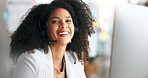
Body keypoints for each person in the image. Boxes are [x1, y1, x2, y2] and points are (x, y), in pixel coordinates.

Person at [10, 0, 95, 78]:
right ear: (44, 29)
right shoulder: (30, 60)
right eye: (55, 21)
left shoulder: (75, 60)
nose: (63, 25)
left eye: (68, 21)